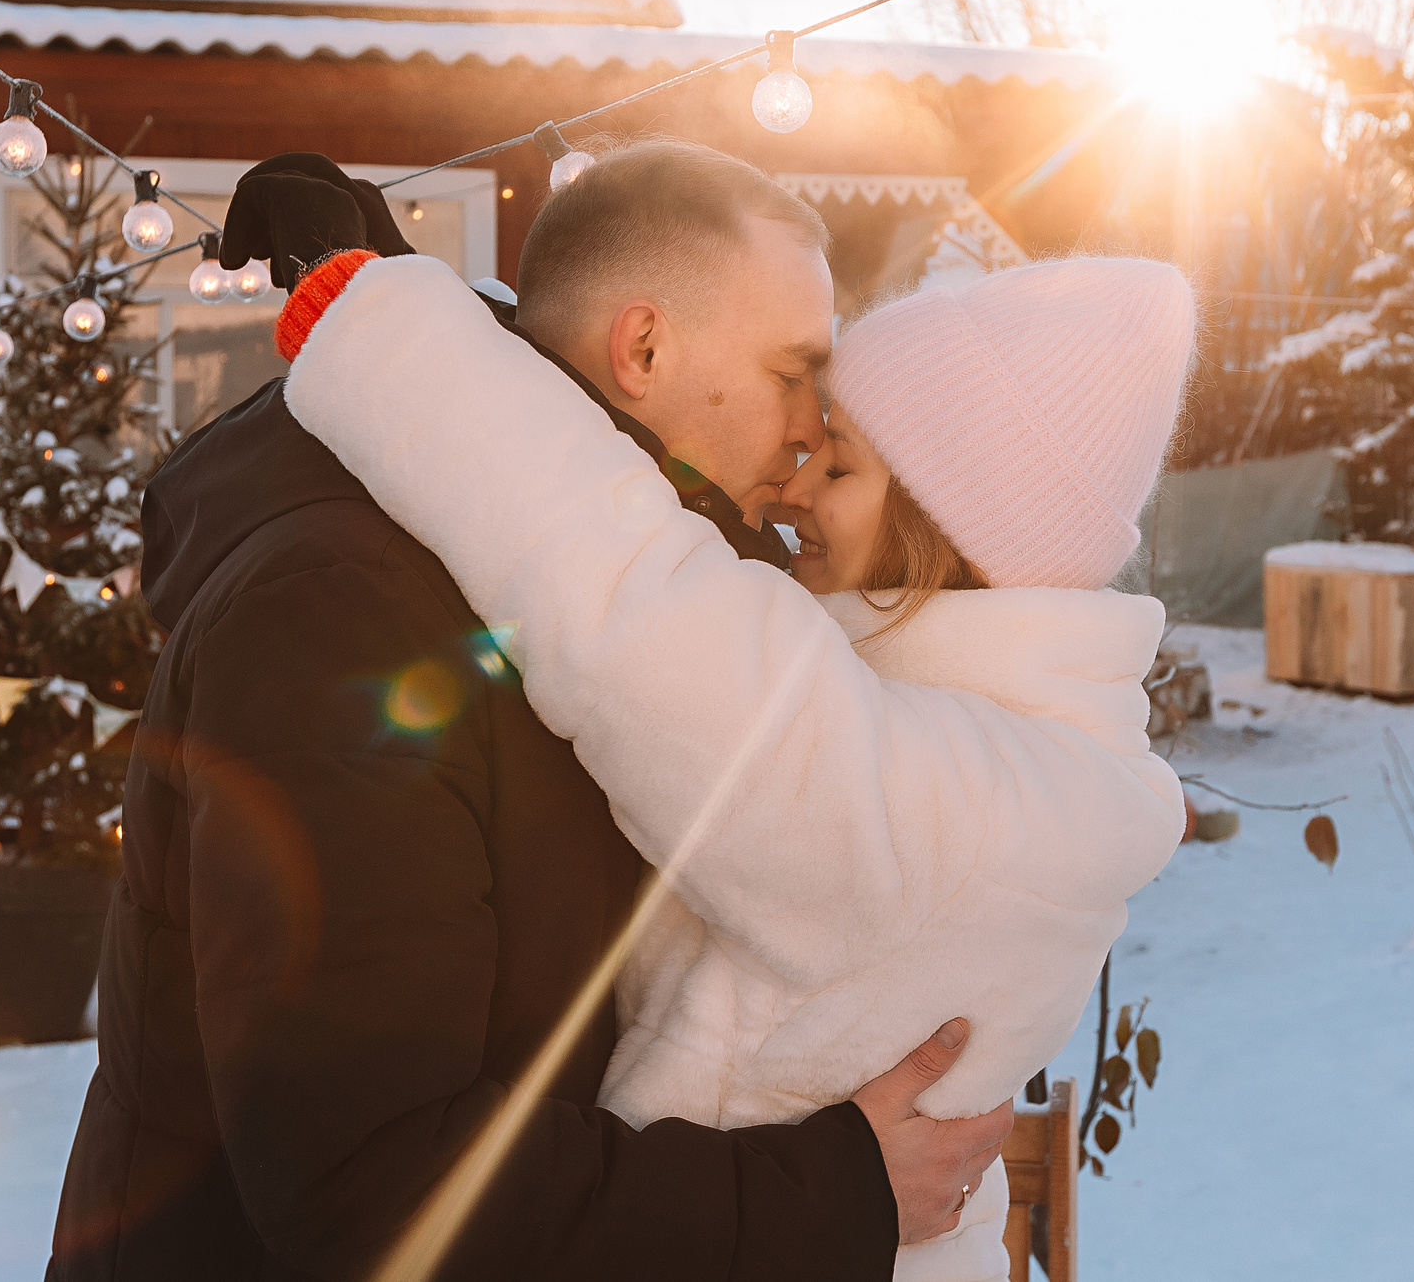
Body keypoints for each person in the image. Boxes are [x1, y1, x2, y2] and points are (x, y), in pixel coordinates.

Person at [49, 148, 1009, 1282]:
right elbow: (369, 1182)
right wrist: (826, 1197)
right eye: (794, 370)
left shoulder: (584, 596)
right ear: (644, 347)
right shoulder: (348, 614)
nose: (814, 427)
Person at [270, 164, 1196, 1282]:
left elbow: (629, 599)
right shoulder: (1027, 763)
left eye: (840, 462)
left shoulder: (968, 808)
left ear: (943, 536)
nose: (797, 481)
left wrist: (386, 327)